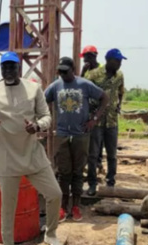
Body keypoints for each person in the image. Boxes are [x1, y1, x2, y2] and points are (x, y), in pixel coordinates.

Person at [0, 51, 64, 245]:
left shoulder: (33, 88)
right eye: (4, 67)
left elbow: (46, 116)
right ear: (1, 70)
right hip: (6, 157)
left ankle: (51, 233)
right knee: (8, 209)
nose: (8, 70)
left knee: (55, 193)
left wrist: (37, 126)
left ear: (18, 69)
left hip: (32, 152)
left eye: (12, 67)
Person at [45, 57, 109, 221]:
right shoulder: (55, 86)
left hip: (81, 134)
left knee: (78, 172)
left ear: (73, 69)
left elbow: (105, 98)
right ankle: (63, 206)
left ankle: (76, 206)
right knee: (63, 172)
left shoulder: (84, 85)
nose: (63, 74)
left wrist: (94, 119)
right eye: (60, 71)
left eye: (66, 71)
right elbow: (42, 101)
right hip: (62, 134)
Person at [84, 49, 126, 192]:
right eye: (117, 61)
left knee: (112, 154)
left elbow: (121, 92)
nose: (120, 64)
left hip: (112, 121)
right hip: (96, 121)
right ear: (108, 60)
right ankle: (92, 183)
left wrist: (118, 105)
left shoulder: (119, 76)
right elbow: (84, 91)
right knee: (93, 154)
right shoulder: (94, 75)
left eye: (121, 62)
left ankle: (111, 182)